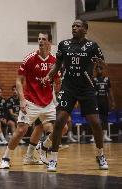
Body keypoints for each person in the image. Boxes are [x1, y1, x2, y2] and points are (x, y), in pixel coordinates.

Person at [42, 19, 109, 171]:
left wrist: (100, 64)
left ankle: (100, 155)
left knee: (96, 124)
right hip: (68, 87)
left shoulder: (92, 46)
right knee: (59, 122)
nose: (74, 27)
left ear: (85, 29)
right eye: (73, 25)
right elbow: (57, 65)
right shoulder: (64, 45)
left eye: (78, 26)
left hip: (86, 88)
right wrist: (48, 76)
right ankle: (53, 159)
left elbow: (102, 65)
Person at [0, 32, 61, 169]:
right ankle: (5, 158)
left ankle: (41, 147)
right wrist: (22, 100)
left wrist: (59, 93)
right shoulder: (30, 59)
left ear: (50, 42)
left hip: (48, 102)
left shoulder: (55, 61)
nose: (40, 41)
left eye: (44, 39)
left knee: (61, 128)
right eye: (38, 39)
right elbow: (19, 80)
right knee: (21, 130)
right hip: (31, 101)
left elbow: (58, 82)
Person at [90, 65, 115, 142]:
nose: (99, 71)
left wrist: (112, 101)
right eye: (97, 69)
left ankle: (105, 135)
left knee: (104, 119)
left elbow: (110, 91)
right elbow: (91, 92)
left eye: (100, 69)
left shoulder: (107, 79)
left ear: (102, 70)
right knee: (95, 119)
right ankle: (94, 136)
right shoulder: (94, 80)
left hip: (104, 102)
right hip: (96, 102)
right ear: (96, 71)